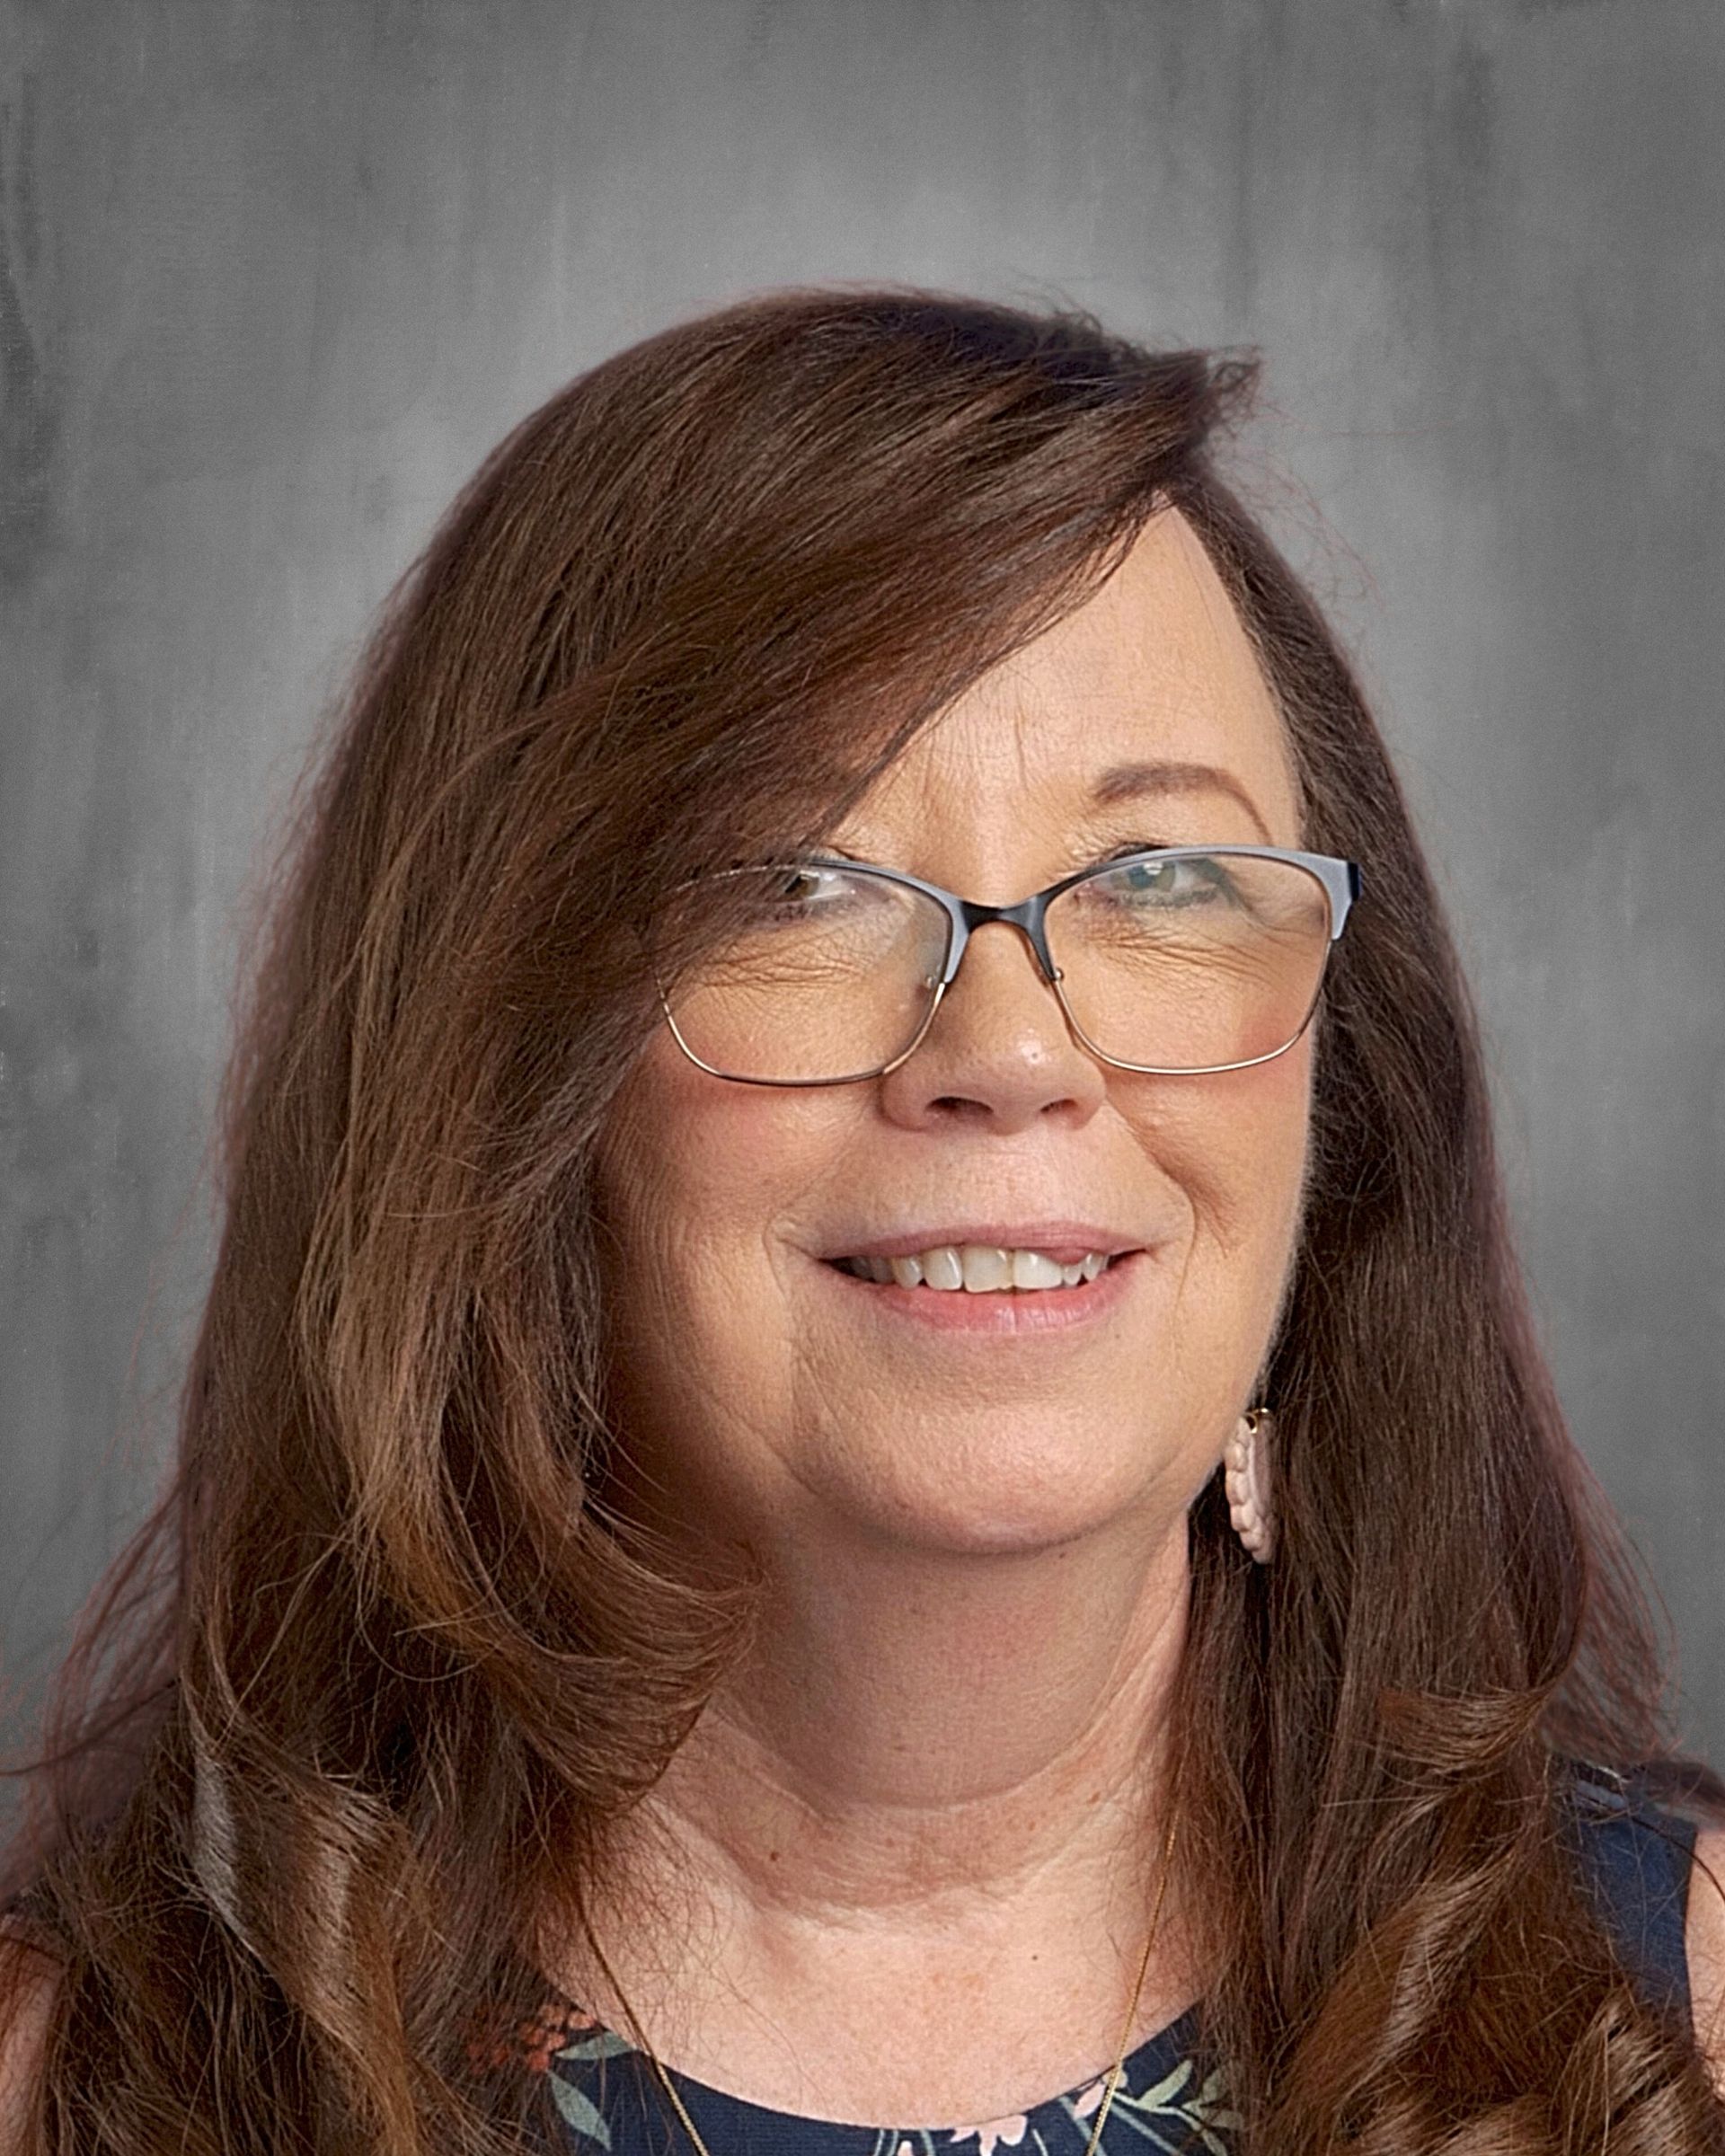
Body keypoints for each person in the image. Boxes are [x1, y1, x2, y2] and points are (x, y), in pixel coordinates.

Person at [3, 288, 1723, 2155]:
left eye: (1158, 874)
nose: (1008, 1049)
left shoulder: (1684, 2031)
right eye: (800, 883)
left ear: (1346, 1089)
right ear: (499, 1072)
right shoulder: (61, 2092)